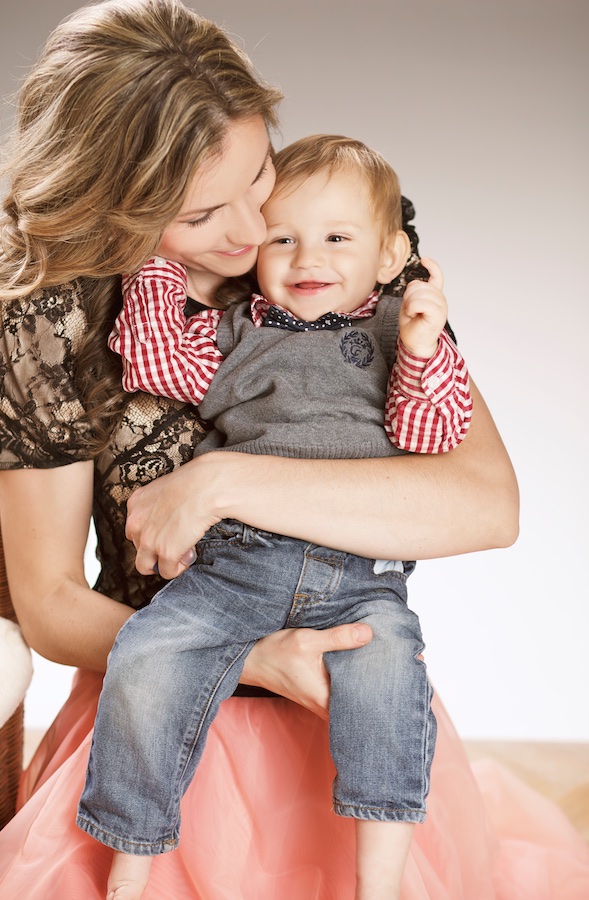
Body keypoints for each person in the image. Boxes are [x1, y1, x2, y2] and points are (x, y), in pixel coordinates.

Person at [0, 1, 589, 898]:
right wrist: (246, 659)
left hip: (348, 682)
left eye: (258, 172)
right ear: (112, 206)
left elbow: (486, 503)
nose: (251, 232)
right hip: (157, 698)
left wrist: (222, 480)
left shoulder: (326, 238)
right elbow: (48, 603)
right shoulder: (53, 317)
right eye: (202, 214)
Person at [78, 134, 473, 900]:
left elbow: (433, 438)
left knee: (390, 677)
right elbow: (157, 363)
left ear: (389, 256)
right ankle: (131, 859)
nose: (306, 259)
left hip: (360, 576)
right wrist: (158, 260)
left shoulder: (398, 331)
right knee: (146, 653)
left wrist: (425, 347)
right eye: (282, 238)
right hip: (237, 567)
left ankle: (380, 881)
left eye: (336, 238)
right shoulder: (238, 329)